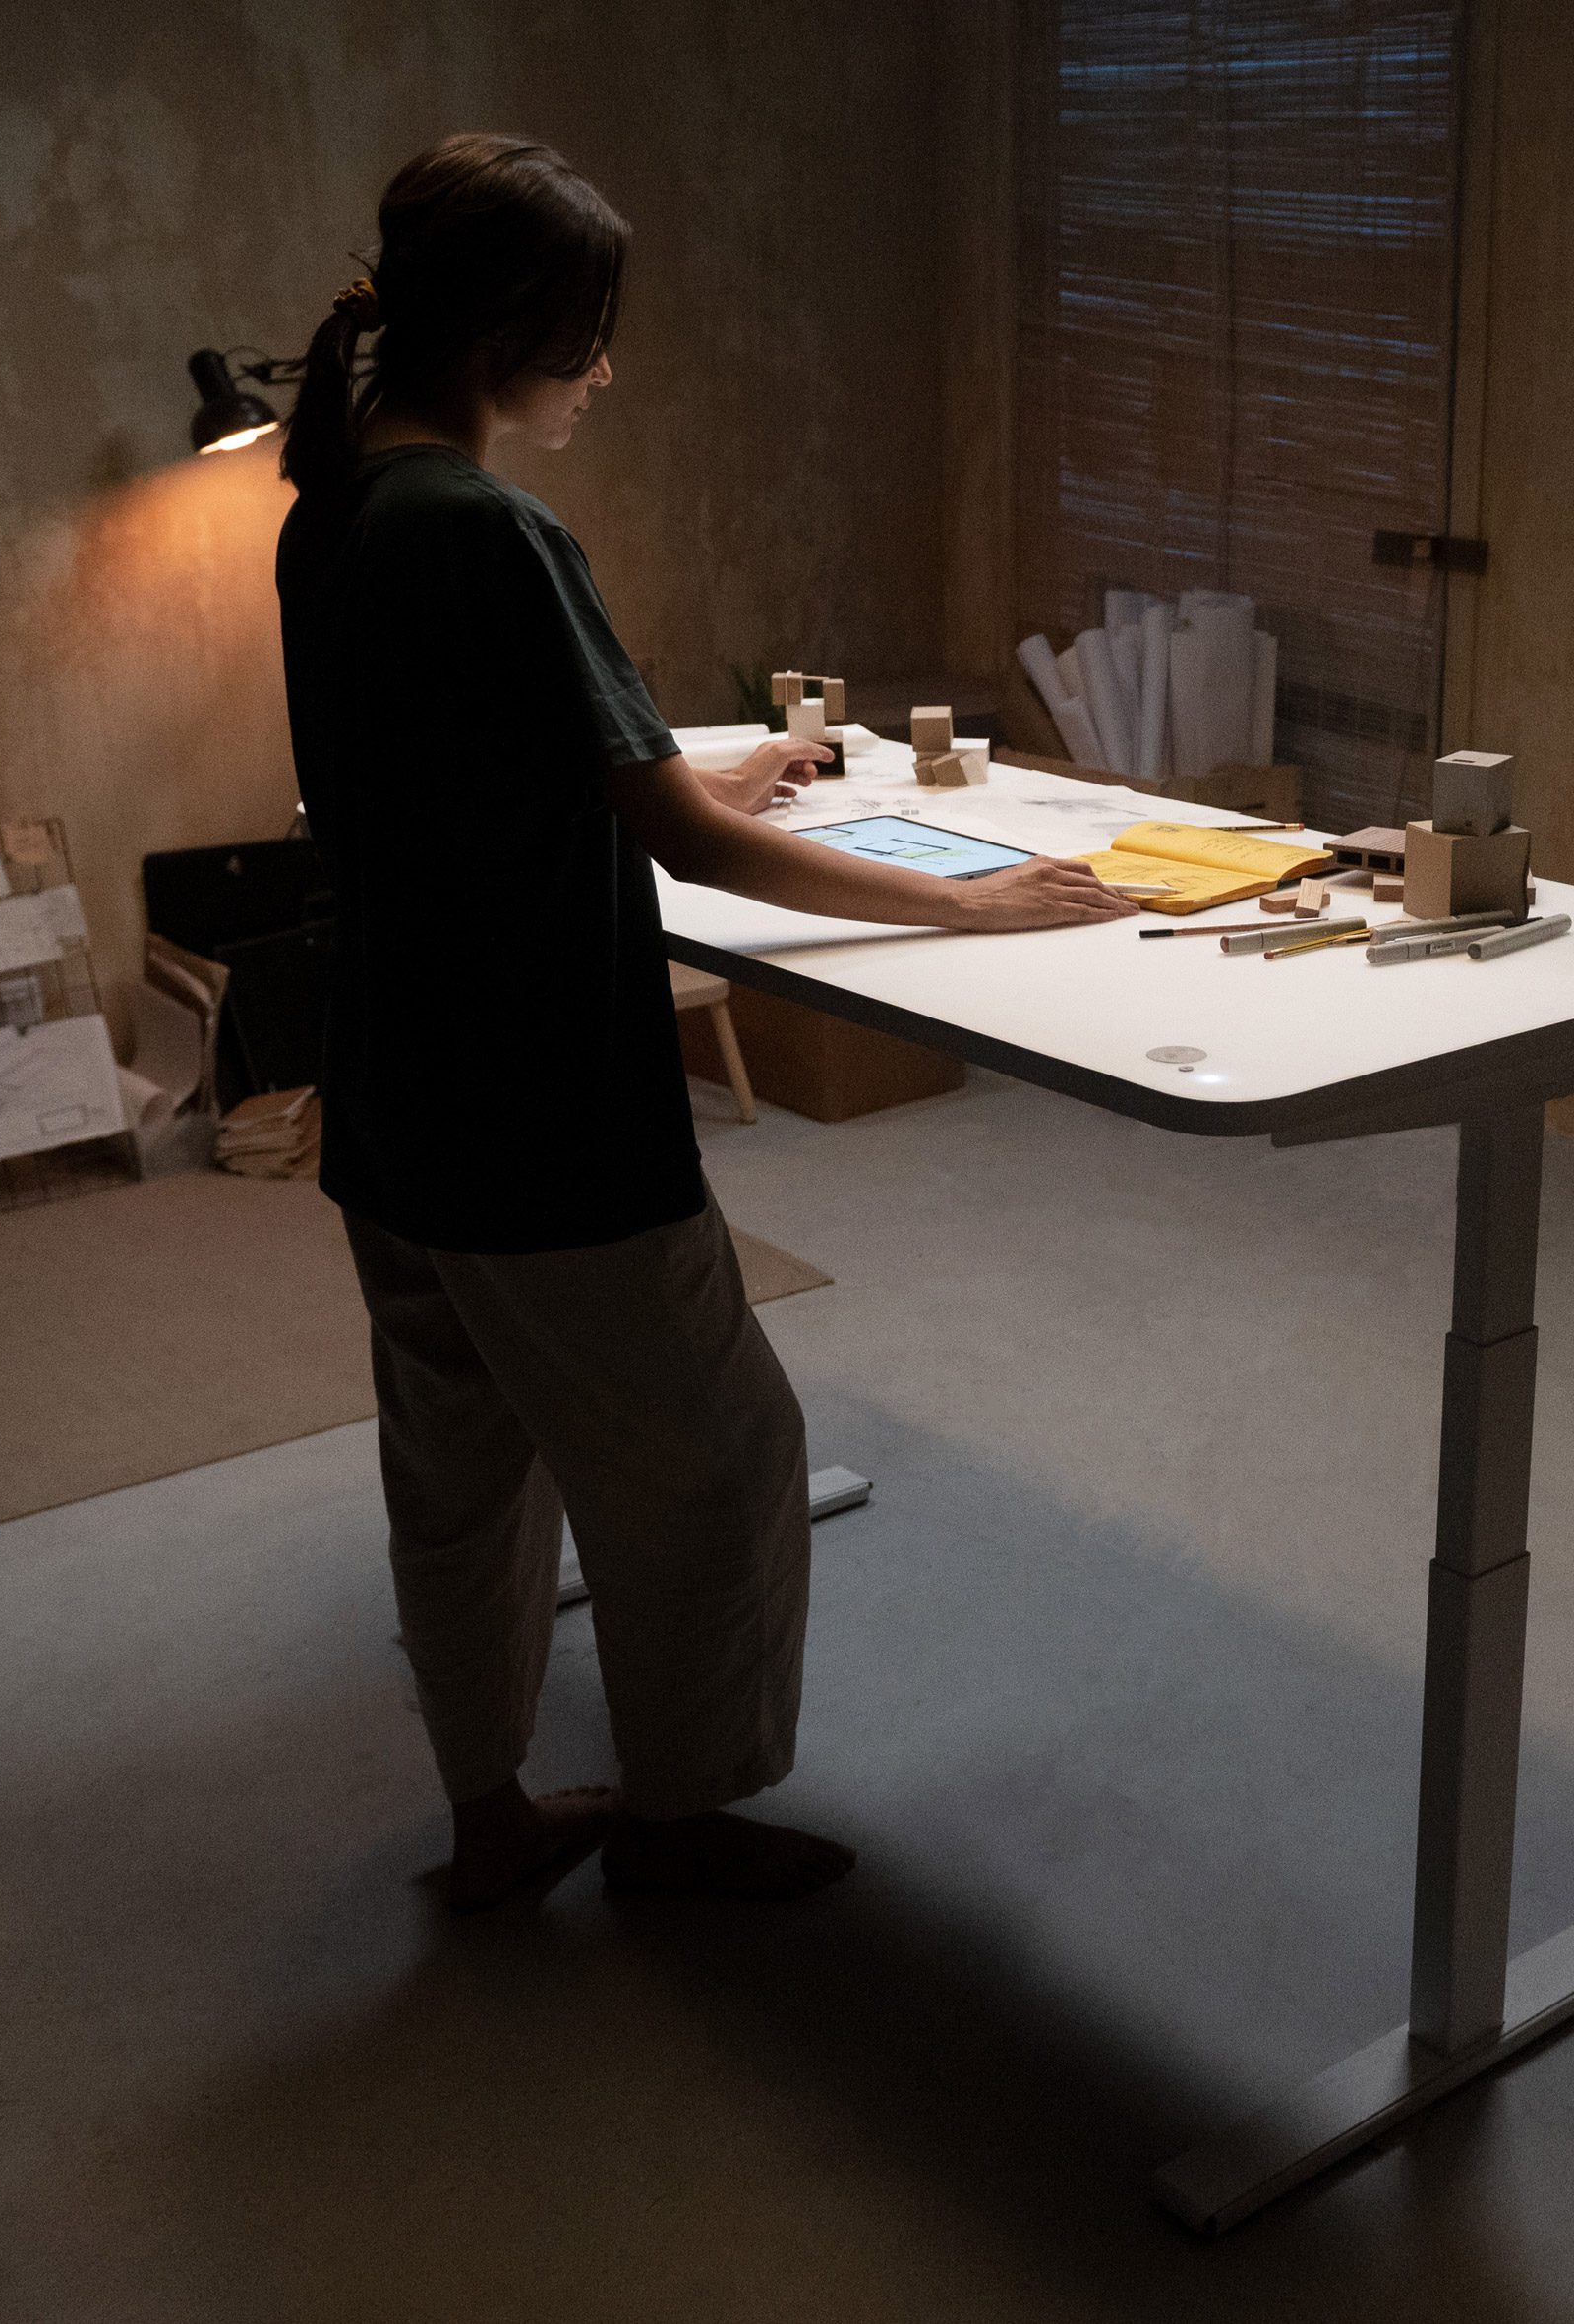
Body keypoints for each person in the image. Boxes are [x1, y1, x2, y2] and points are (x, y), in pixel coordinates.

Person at [275, 133, 1132, 1914]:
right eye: (593, 334)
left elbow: (507, 766)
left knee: (459, 1469)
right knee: (724, 1458)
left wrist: (699, 754)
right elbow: (673, 835)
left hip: (400, 1091)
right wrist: (963, 904)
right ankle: (677, 1829)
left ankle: (490, 1814)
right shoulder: (497, 526)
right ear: (520, 328)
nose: (608, 371)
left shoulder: (335, 507)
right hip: (542, 1110)